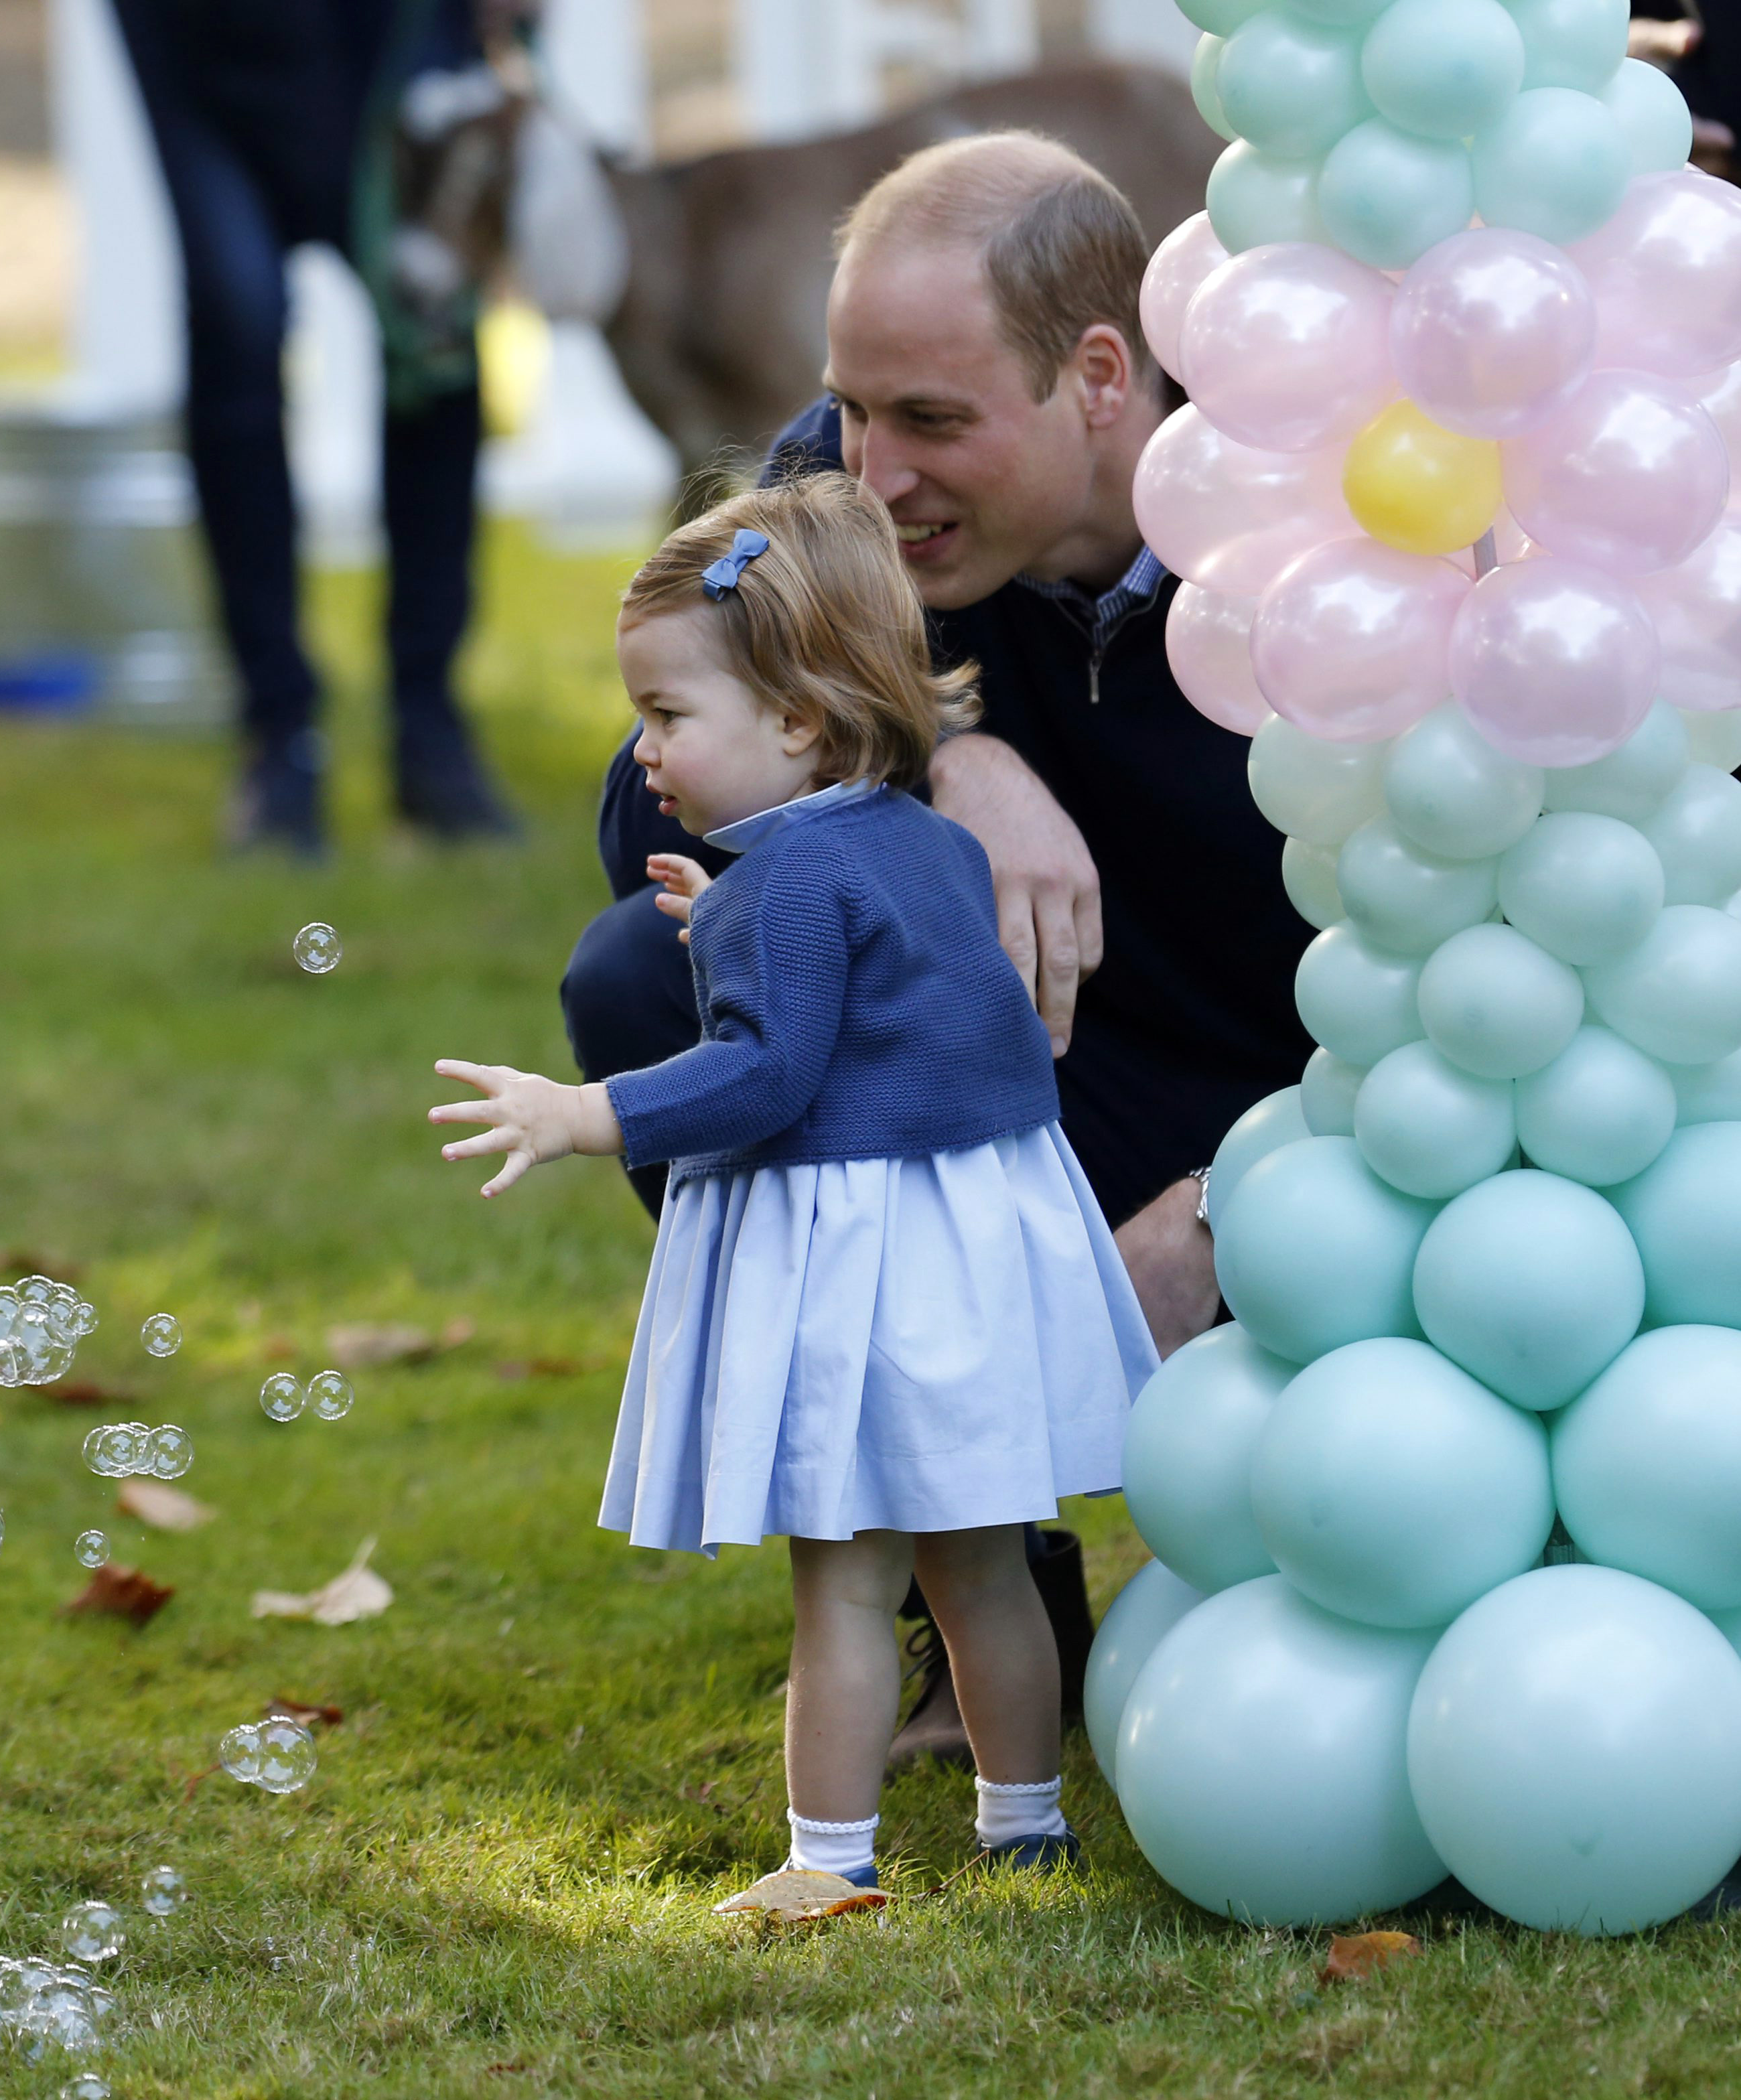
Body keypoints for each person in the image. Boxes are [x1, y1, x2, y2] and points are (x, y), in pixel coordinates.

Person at [560, 133, 1315, 1768]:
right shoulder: (845, 497)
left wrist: (1241, 1202)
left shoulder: (1315, 508)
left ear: (1099, 376)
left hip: (1332, 1116)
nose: (872, 474)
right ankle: (987, 1590)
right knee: (650, 979)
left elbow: (1491, 968)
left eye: (932, 423)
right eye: (849, 407)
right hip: (1036, 1086)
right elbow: (654, 803)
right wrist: (927, 763)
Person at [433, 478, 1157, 1888]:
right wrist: (740, 923)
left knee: (841, 1577)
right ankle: (1026, 1823)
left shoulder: (783, 890)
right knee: (979, 1567)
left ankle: (828, 1859)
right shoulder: (934, 843)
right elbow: (904, 990)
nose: (643, 750)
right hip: (966, 1257)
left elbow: (765, 1078)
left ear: (799, 724)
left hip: (859, 1279)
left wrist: (588, 1111)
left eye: (666, 715)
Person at [112, 0, 516, 852]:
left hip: (392, 27)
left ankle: (429, 725)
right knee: (236, 329)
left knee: (430, 334)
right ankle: (279, 735)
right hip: (199, 40)